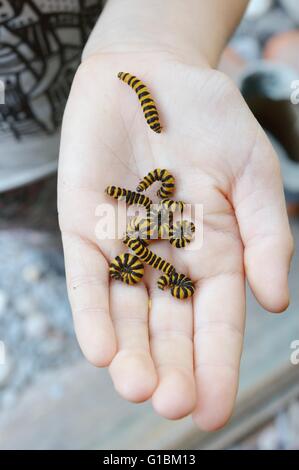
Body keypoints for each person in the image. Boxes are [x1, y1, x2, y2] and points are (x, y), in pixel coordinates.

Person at [4, 1, 295, 431]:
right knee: (60, 230)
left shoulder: (153, 216)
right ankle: (52, 249)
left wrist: (161, 35)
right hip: (15, 183)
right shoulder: (143, 231)